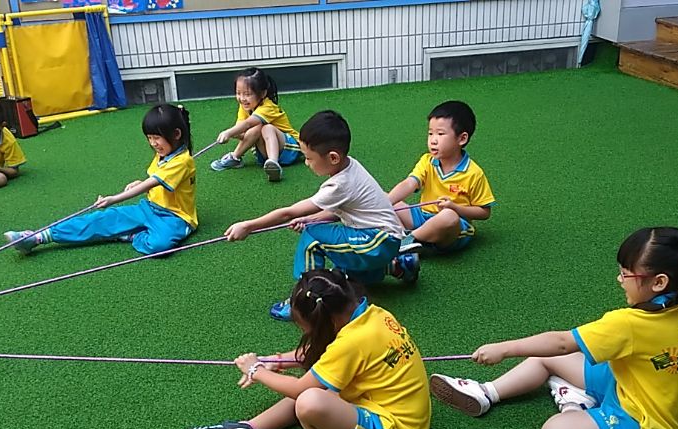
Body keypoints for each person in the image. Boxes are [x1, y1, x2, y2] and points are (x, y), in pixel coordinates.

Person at [431, 227, 678, 429]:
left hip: (642, 420)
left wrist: (503, 349)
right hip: (626, 381)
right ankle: (486, 393)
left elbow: (563, 343)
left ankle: (574, 405)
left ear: (659, 282)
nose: (619, 279)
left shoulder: (630, 323)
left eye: (627, 273)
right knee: (543, 356)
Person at [182, 269, 431, 429]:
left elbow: (301, 388)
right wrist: (277, 361)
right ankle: (249, 428)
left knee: (310, 400)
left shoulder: (352, 342)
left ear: (326, 321)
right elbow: (327, 356)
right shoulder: (374, 315)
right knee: (320, 385)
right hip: (397, 417)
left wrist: (256, 370)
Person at [223, 110, 418, 321]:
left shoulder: (339, 184)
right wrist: (312, 219)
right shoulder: (350, 165)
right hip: (384, 240)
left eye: (309, 158)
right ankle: (398, 266)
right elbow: (337, 211)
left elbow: (288, 212)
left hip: (377, 241)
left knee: (313, 238)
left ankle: (302, 302)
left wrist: (248, 226)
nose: (307, 163)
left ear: (333, 157)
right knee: (340, 269)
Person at [3, 104, 197, 256]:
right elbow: (156, 180)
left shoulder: (183, 160)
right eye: (149, 137)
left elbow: (154, 181)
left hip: (175, 218)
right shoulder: (165, 153)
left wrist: (115, 198)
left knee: (159, 246)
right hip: (150, 207)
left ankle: (130, 235)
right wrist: (141, 183)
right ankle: (38, 237)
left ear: (176, 134)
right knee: (101, 219)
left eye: (157, 138)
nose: (153, 143)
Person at [388, 100, 495, 254]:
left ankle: (407, 240)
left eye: (440, 134)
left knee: (448, 216)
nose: (433, 140)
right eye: (430, 133)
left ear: (462, 139)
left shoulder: (473, 173)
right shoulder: (427, 160)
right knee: (387, 199)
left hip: (453, 228)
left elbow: (484, 212)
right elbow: (409, 183)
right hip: (422, 216)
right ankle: (407, 240)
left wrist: (455, 208)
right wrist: (385, 202)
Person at [210, 67, 302, 182]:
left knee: (265, 127)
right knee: (256, 128)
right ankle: (236, 158)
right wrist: (235, 134)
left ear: (263, 93)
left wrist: (229, 132)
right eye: (238, 93)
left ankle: (273, 163)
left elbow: (248, 123)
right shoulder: (245, 107)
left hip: (290, 148)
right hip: (263, 153)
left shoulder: (268, 106)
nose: (242, 98)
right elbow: (243, 133)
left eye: (247, 94)